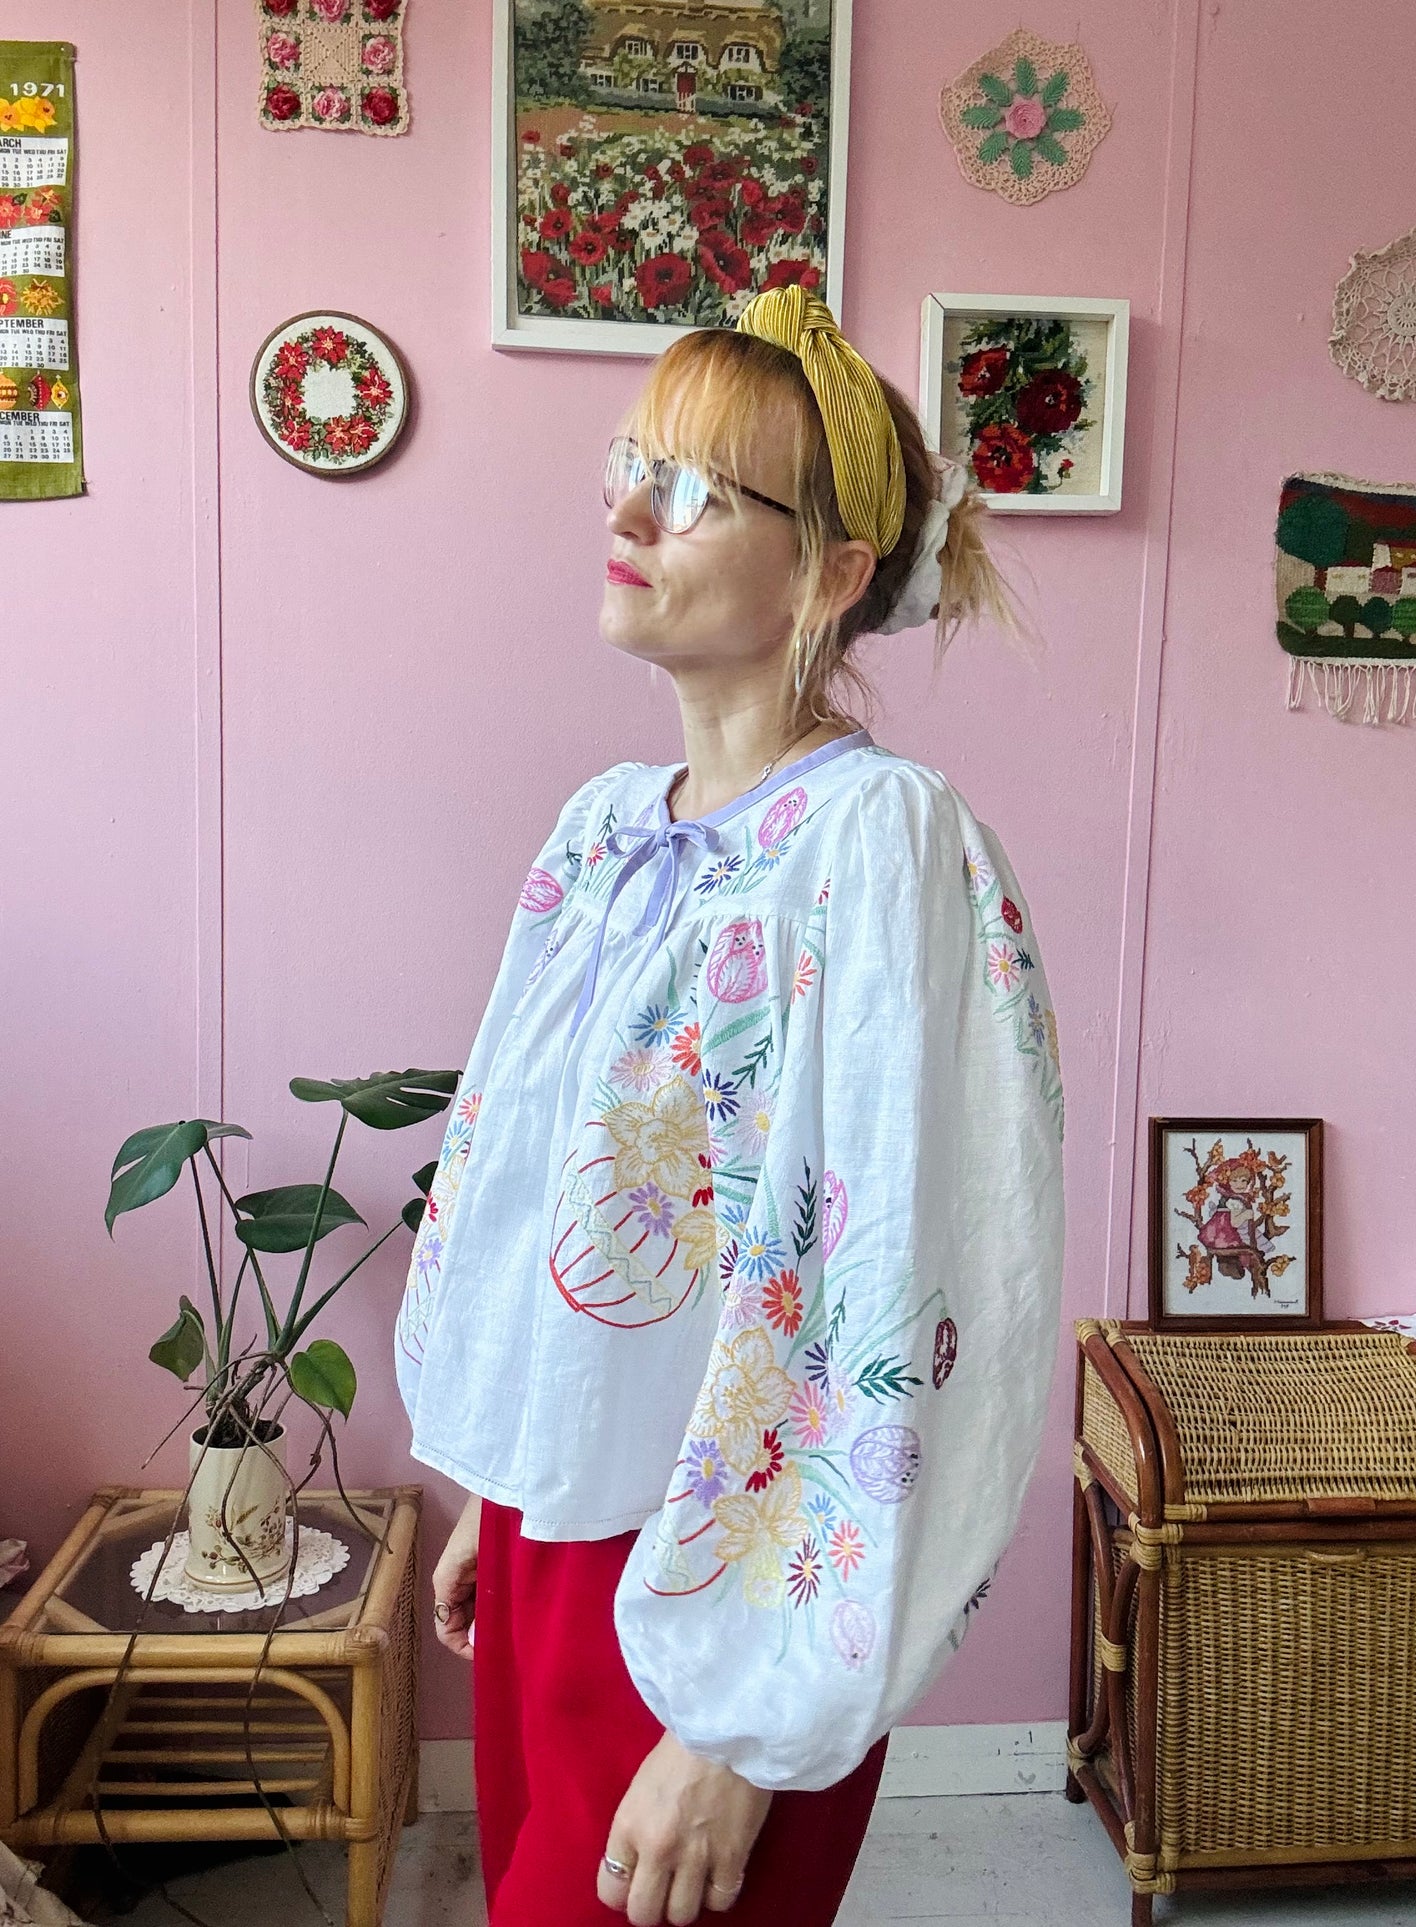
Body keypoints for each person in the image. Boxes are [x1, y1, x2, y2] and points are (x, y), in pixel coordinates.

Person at [395, 285, 1065, 1927]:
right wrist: (510, 1476)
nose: (627, 509)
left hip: (737, 1582)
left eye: (694, 489)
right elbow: (540, 1193)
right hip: (569, 1528)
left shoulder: (881, 842)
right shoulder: (604, 829)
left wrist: (746, 1728)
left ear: (831, 575)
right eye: (632, 460)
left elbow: (903, 1281)